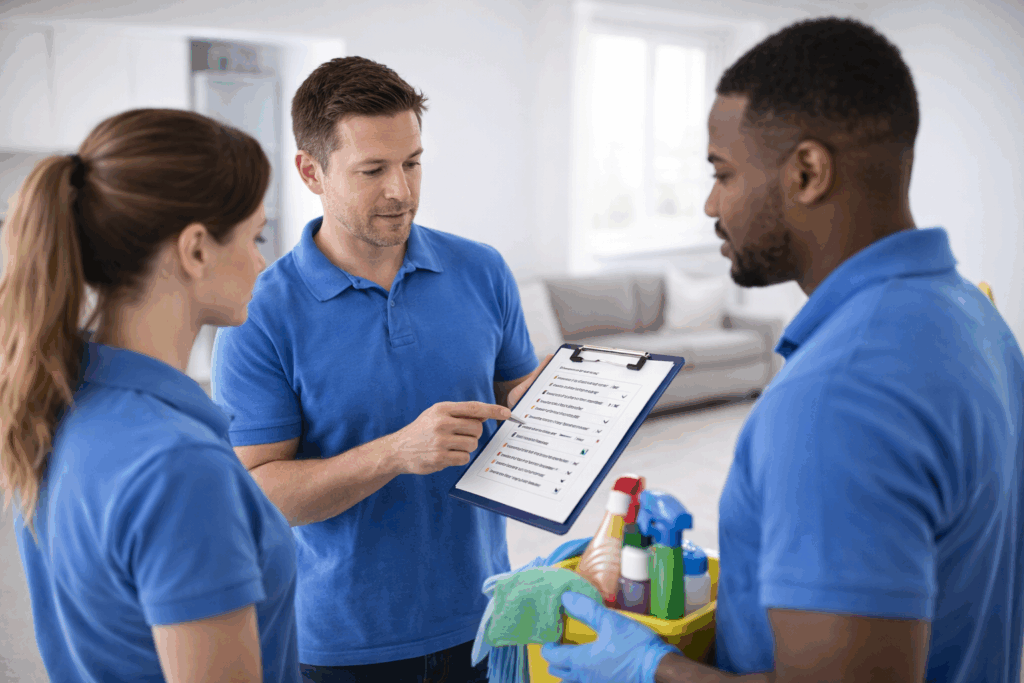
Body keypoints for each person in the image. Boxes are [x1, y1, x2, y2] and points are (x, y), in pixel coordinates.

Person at [540, 16, 1024, 683]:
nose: (711, 202)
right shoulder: (975, 315)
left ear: (807, 171)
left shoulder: (837, 396)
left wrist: (653, 668)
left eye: (723, 173)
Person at [210, 56, 545, 683]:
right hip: (344, 644)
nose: (402, 190)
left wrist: (570, 397)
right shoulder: (259, 310)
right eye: (373, 170)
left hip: (488, 615)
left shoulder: (483, 270)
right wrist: (396, 453)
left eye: (412, 163)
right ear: (311, 171)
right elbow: (260, 493)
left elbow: (512, 403)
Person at [0, 109, 301, 683]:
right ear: (195, 250)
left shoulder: (62, 404)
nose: (263, 260)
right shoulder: (180, 467)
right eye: (254, 236)